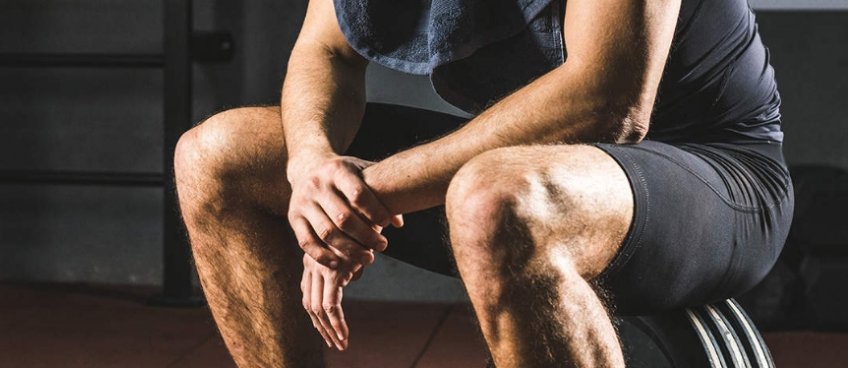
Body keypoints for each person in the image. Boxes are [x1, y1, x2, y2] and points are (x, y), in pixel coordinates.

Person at [173, 0, 794, 366]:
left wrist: (359, 200)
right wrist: (312, 168)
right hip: (532, 167)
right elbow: (326, 52)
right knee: (217, 155)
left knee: (493, 197)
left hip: (716, 175)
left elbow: (607, 102)